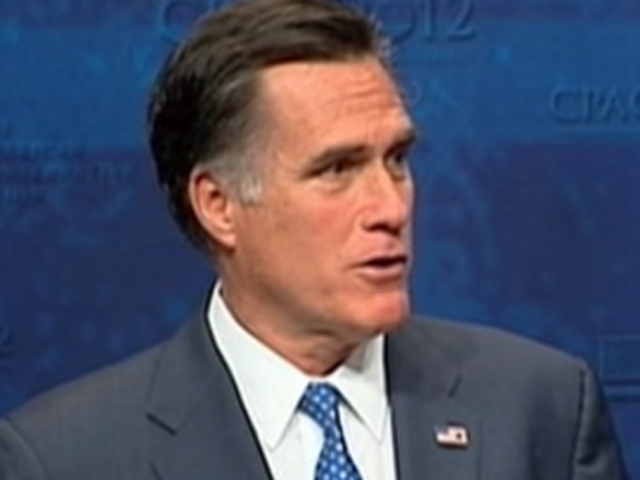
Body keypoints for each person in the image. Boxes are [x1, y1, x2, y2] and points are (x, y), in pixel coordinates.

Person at [0, 0, 629, 479]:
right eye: (336, 169)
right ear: (219, 206)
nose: (390, 207)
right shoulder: (65, 458)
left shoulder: (541, 410)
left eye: (397, 160)